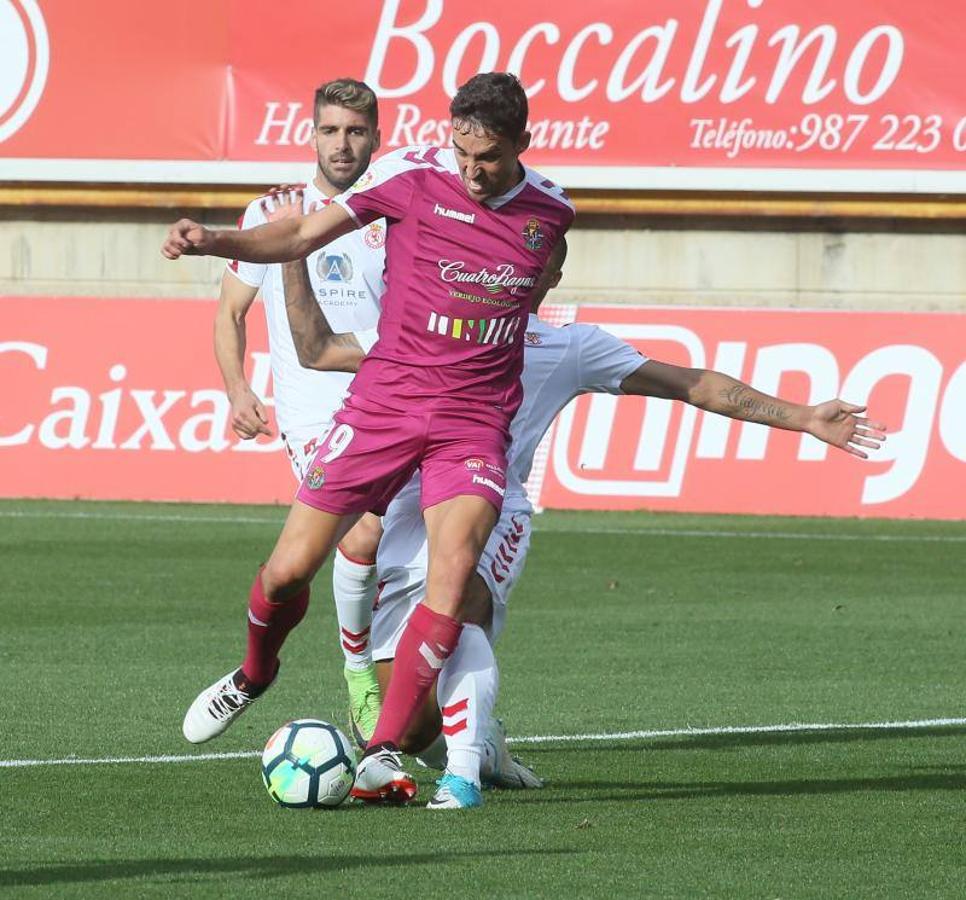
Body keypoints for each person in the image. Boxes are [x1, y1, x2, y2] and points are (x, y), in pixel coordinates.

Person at [278, 228, 887, 808]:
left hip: (493, 508)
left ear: (550, 273)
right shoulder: (432, 328)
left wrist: (803, 417)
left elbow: (693, 385)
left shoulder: (569, 347)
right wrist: (291, 253)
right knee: (410, 729)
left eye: (528, 255)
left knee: (463, 598)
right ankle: (480, 747)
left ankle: (461, 777)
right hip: (411, 514)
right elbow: (316, 350)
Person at [162, 73, 576, 807]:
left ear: (522, 144)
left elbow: (536, 279)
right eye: (463, 151)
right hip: (383, 404)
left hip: (472, 424)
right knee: (290, 570)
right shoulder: (412, 178)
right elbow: (300, 232)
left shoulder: (551, 212)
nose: (472, 170)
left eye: (488, 157)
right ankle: (257, 672)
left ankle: (383, 750)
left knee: (449, 579)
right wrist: (213, 240)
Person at [210, 77, 387, 745]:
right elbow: (229, 311)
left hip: (389, 410)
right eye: (331, 130)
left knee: (407, 563)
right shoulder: (271, 214)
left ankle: (460, 723)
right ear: (311, 134)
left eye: (356, 131)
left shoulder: (392, 215)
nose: (342, 144)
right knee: (359, 537)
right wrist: (237, 389)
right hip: (316, 419)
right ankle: (355, 673)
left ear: (376, 135)